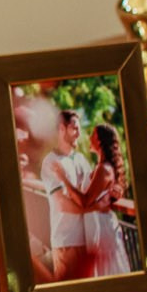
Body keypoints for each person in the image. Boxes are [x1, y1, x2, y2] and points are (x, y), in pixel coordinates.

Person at [38, 108, 95, 281]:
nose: (79, 133)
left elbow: (93, 194)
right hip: (66, 242)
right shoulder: (50, 162)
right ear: (62, 129)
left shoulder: (81, 160)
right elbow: (62, 204)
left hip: (88, 240)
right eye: (75, 128)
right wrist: (93, 208)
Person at [83, 123, 135, 276]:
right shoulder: (101, 167)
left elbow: (86, 200)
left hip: (102, 228)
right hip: (99, 224)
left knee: (107, 269)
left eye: (92, 134)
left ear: (99, 140)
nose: (89, 138)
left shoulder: (103, 169)